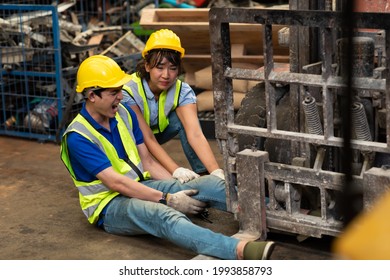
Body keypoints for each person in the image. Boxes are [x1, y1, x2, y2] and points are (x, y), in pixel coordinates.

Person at [60, 54, 275, 260]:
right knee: (164, 215)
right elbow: (116, 182)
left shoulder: (123, 113)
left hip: (141, 184)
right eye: (114, 92)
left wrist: (175, 187)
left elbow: (148, 161)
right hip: (109, 205)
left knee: (210, 184)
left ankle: (282, 212)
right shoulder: (77, 137)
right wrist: (168, 199)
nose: (120, 96)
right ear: (92, 96)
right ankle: (238, 250)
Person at [121, 29, 225, 184]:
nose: (166, 75)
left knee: (184, 121)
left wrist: (216, 171)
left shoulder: (182, 90)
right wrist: (175, 169)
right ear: (148, 66)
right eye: (160, 67)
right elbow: (146, 137)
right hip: (131, 141)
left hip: (155, 135)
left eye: (173, 68)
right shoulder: (130, 90)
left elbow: (195, 134)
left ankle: (205, 176)